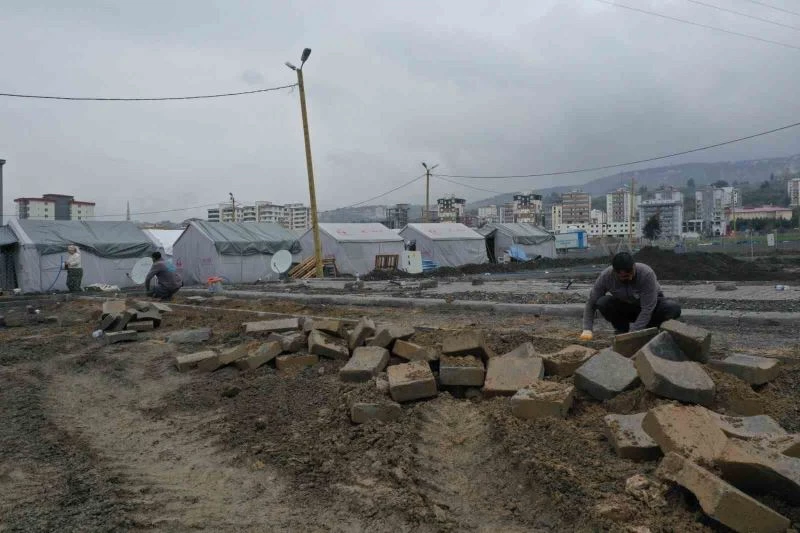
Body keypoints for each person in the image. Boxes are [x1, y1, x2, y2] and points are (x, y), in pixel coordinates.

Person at [580, 252, 681, 340]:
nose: (631, 277)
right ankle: (622, 330)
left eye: (631, 272)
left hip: (650, 308)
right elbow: (591, 303)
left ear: (633, 266)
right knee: (603, 302)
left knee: (672, 307)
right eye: (625, 276)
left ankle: (651, 330)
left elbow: (647, 308)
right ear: (615, 272)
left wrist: (632, 333)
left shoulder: (646, 274)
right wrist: (587, 329)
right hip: (627, 308)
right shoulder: (606, 277)